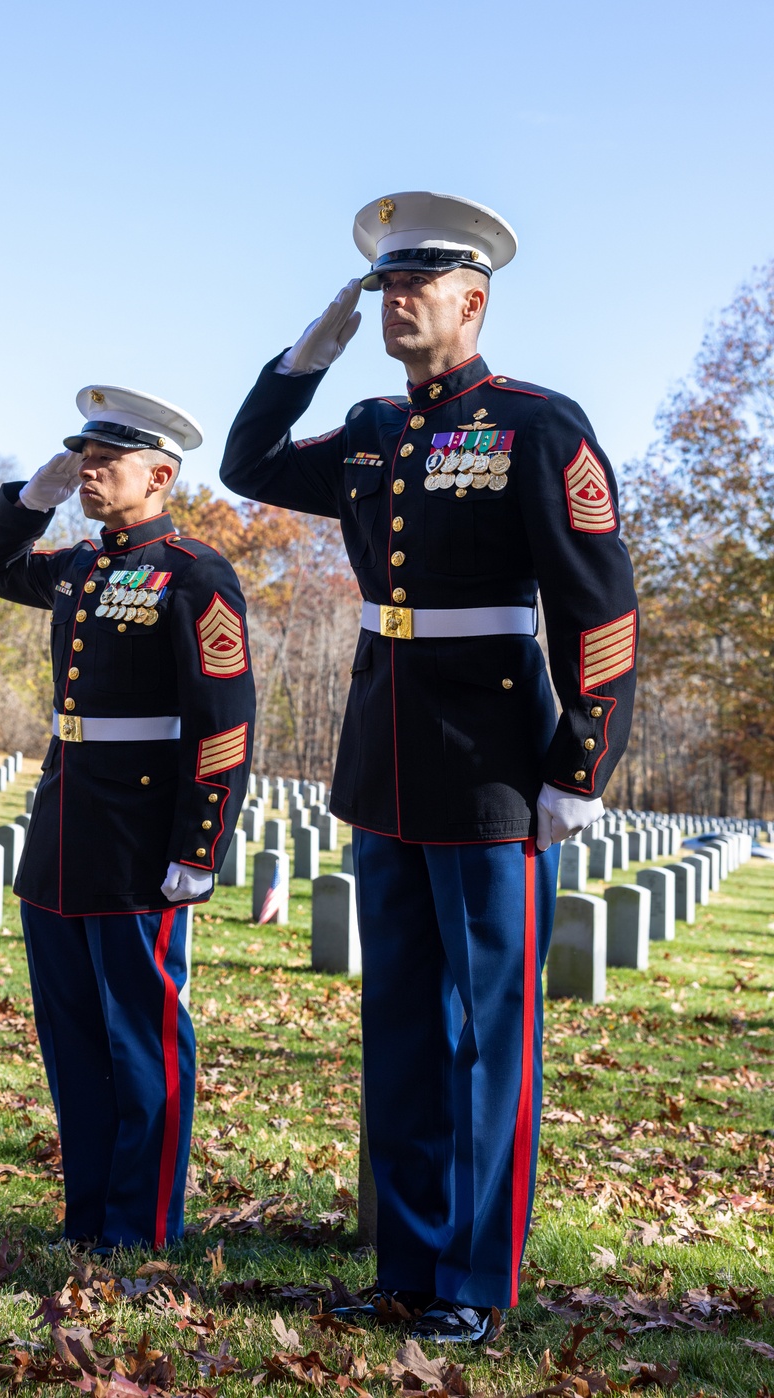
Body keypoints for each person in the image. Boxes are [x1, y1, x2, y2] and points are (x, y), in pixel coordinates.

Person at [220, 192, 637, 1343]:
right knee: (401, 1022)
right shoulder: (365, 426)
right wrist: (302, 361)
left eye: (418, 285)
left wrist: (577, 764)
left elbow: (601, 608)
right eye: (383, 286)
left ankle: (473, 1282)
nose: (397, 300)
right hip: (386, 751)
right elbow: (247, 463)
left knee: (486, 1029)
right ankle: (405, 1265)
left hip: (494, 760)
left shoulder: (538, 425)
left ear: (472, 300)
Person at [0, 385, 255, 1251]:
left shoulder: (195, 572)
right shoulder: (77, 567)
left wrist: (200, 845)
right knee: (72, 1041)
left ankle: (139, 1231)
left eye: (107, 461)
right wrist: (34, 498)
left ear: (160, 474)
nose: (91, 472)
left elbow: (225, 720)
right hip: (65, 827)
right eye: (85, 458)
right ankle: (88, 1216)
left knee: (143, 1042)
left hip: (141, 838)